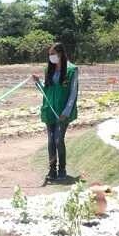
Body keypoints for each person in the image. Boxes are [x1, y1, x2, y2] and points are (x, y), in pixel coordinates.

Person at [32, 42, 79, 181]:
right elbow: (46, 91)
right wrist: (37, 82)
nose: (51, 57)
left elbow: (73, 92)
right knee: (51, 141)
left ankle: (62, 169)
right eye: (50, 55)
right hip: (49, 110)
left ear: (61, 54)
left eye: (53, 54)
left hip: (62, 111)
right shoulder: (49, 69)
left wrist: (67, 111)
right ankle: (52, 170)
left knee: (58, 139)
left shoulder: (72, 70)